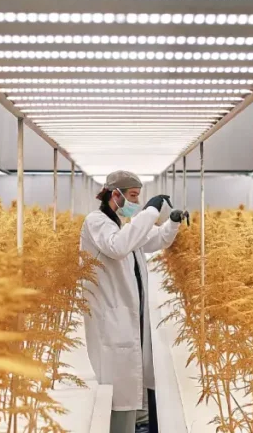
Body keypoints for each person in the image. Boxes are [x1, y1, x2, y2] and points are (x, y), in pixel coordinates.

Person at [80, 170, 189, 433]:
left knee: (128, 391)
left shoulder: (121, 226)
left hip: (128, 316)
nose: (136, 203)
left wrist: (171, 223)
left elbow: (154, 240)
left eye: (139, 198)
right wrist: (151, 211)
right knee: (117, 396)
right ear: (114, 194)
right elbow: (118, 247)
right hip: (111, 319)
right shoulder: (96, 222)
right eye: (132, 196)